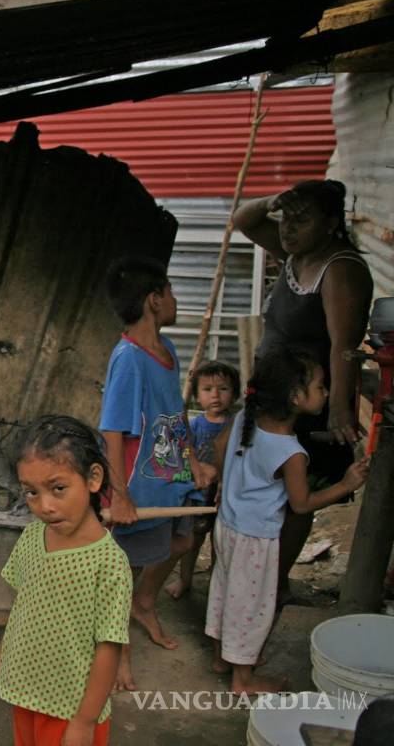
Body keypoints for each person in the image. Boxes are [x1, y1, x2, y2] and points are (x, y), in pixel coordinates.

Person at [233, 180, 373, 602]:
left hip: (309, 402)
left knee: (297, 495)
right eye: (286, 218)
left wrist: (339, 410)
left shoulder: (340, 269)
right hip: (274, 397)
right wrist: (271, 201)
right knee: (268, 484)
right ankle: (257, 578)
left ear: (330, 224)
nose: (289, 228)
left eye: (302, 219)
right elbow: (243, 219)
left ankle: (272, 585)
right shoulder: (295, 253)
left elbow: (344, 347)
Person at [204, 348, 370, 694]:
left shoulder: (245, 417)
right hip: (256, 540)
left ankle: (222, 657)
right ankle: (243, 679)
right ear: (295, 397)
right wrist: (345, 485)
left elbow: (219, 446)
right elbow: (302, 503)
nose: (326, 392)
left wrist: (225, 483)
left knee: (226, 591)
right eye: (320, 386)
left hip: (228, 527)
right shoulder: (290, 453)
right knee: (251, 606)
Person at [0, 416, 131, 746]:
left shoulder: (109, 563)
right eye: (31, 492)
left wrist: (85, 721)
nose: (44, 506)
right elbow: (24, 609)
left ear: (93, 479)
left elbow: (109, 647)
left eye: (58, 488)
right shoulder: (32, 537)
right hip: (27, 690)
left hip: (70, 707)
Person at [98, 256, 213, 691]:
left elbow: (176, 411)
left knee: (182, 541)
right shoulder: (129, 358)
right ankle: (117, 655)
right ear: (154, 300)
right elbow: (112, 430)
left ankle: (144, 603)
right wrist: (120, 494)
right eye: (171, 292)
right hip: (138, 485)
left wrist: (193, 461)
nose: (176, 300)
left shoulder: (166, 351)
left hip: (172, 476)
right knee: (120, 575)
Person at [166, 360, 240, 600]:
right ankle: (185, 579)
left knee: (221, 540)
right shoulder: (195, 425)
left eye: (223, 389)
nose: (215, 395)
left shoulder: (238, 424)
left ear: (235, 393)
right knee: (193, 539)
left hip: (227, 492)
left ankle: (217, 584)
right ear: (197, 395)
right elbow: (185, 455)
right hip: (200, 492)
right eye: (207, 389)